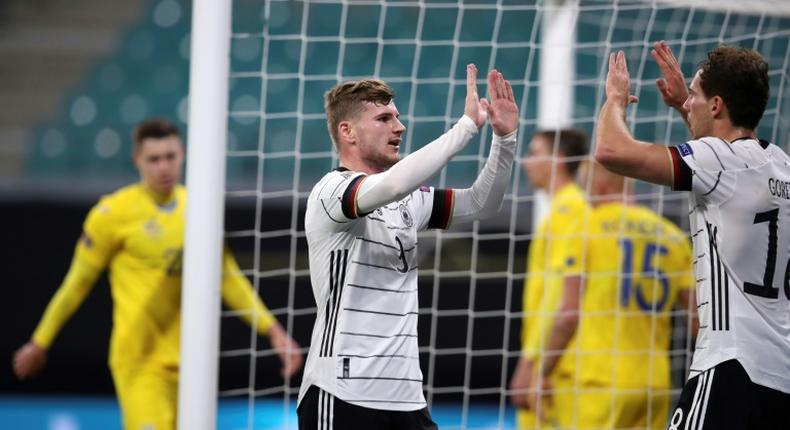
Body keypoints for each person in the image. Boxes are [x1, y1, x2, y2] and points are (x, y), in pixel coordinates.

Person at [12, 119, 303, 430]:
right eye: (154, 159)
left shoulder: (199, 209)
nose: (163, 167)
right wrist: (40, 342)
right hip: (140, 362)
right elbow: (77, 284)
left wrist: (274, 332)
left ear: (182, 155)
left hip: (193, 362)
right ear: (138, 160)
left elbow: (227, 278)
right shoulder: (112, 214)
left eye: (170, 156)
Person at [296, 64, 519, 430]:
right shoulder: (330, 192)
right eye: (384, 118)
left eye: (397, 117)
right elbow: (391, 186)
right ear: (347, 131)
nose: (399, 127)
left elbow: (481, 204)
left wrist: (504, 140)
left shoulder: (408, 200)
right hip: (341, 393)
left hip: (406, 397)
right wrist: (464, 129)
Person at [595, 41, 790, 428]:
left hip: (729, 365)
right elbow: (723, 174)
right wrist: (686, 100)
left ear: (717, 105)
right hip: (780, 376)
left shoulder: (717, 162)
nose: (688, 104)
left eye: (696, 97)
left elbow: (610, 150)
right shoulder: (780, 164)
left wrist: (615, 100)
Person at [527, 160, 697, 429]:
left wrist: (541, 372)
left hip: (598, 381)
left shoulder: (584, 229)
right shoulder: (673, 237)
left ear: (599, 185)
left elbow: (568, 316)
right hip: (654, 383)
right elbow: (698, 321)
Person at [508, 129, 590, 429]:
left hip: (558, 367)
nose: (526, 161)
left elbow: (559, 297)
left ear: (557, 159)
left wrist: (531, 364)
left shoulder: (569, 210)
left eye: (534, 152)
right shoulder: (564, 208)